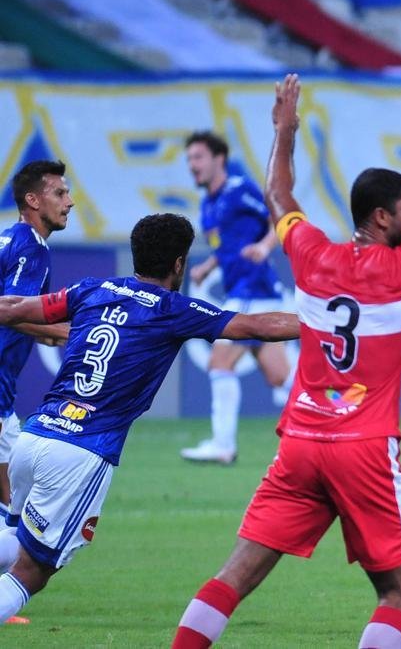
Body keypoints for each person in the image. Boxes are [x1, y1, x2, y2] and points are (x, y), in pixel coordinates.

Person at [172, 67, 401, 649]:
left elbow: (280, 193)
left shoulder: (310, 251)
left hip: (299, 444)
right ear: (381, 218)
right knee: (399, 593)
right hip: (364, 450)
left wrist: (284, 127)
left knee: (234, 577)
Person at [0, 213, 299, 625]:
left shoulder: (92, 289)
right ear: (179, 264)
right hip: (81, 452)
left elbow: (15, 308)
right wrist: (330, 325)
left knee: (16, 541)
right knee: (33, 571)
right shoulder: (174, 309)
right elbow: (258, 325)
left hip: (34, 437)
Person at [180, 130, 292, 465]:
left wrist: (265, 246)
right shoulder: (209, 202)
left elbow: (280, 218)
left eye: (198, 157)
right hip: (248, 291)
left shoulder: (238, 190)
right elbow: (228, 245)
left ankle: (223, 444)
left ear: (219, 160)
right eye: (189, 159)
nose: (192, 165)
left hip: (253, 291)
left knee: (220, 361)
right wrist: (209, 265)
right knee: (281, 377)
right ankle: (334, 422)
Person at [0, 161, 74, 520]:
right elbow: (11, 312)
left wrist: (56, 332)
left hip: (4, 391)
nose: (70, 201)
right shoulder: (32, 248)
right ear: (32, 200)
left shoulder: (11, 240)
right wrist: (69, 334)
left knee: (13, 502)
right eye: (59, 193)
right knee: (21, 509)